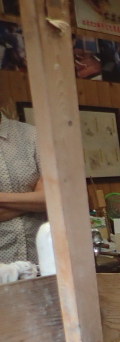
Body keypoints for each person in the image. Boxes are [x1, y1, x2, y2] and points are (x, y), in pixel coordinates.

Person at [0, 112, 46, 264]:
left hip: (41, 263)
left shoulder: (33, 136)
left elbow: (53, 198)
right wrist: (32, 200)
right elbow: (43, 200)